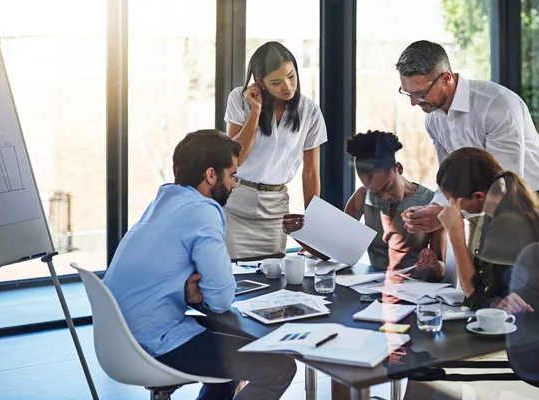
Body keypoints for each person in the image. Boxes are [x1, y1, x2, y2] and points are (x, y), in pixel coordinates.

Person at [103, 129, 296, 400]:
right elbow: (220, 300)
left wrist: (189, 296)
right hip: (155, 342)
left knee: (234, 355)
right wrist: (200, 296)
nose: (233, 184)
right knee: (280, 367)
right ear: (210, 175)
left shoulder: (164, 201)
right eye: (232, 175)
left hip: (120, 340)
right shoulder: (203, 210)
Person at [395, 40, 539, 258]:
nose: (413, 103)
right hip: (478, 209)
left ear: (446, 78)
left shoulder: (496, 105)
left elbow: (505, 186)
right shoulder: (433, 118)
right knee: (476, 286)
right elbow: (449, 180)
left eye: (420, 93)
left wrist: (444, 215)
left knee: (532, 289)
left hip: (532, 204)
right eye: (407, 93)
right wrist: (435, 207)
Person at [435, 147, 539, 312]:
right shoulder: (498, 208)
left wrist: (455, 232)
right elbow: (484, 287)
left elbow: (475, 296)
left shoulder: (509, 222)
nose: (449, 207)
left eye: (452, 201)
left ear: (479, 196)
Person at [283, 130, 446, 282]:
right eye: (375, 193)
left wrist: (431, 261)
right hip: (371, 286)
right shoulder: (362, 197)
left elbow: (440, 272)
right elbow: (333, 251)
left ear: (399, 168)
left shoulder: (432, 204)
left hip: (415, 289)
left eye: (388, 188)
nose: (385, 197)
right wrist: (298, 232)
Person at [224, 41, 327, 260]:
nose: (288, 86)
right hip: (235, 206)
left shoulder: (310, 112)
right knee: (234, 278)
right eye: (276, 82)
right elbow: (236, 158)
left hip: (275, 209)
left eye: (291, 76)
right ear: (260, 83)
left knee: (272, 279)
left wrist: (313, 230)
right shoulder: (239, 100)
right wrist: (256, 111)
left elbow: (310, 173)